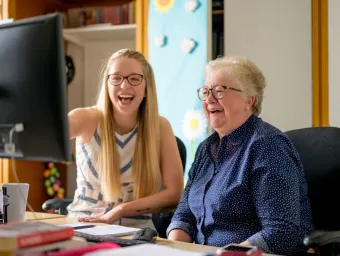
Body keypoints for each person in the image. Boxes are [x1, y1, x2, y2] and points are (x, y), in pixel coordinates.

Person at [167, 56, 313, 255]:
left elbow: (281, 232)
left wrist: (223, 254)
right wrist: (175, 249)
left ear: (249, 100)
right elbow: (185, 214)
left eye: (219, 91)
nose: (209, 99)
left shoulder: (267, 145)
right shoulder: (205, 148)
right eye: (206, 91)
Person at [66, 49, 184, 229]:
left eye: (134, 78)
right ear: (107, 84)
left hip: (136, 230)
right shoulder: (85, 118)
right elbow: (47, 136)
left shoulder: (160, 127)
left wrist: (120, 210)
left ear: (146, 88)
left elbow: (175, 193)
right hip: (84, 225)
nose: (124, 86)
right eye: (116, 78)